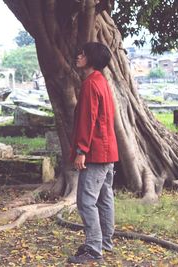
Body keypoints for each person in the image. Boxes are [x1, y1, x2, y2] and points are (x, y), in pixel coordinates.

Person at [67, 42, 119, 264]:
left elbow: (88, 121)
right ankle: (105, 242)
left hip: (95, 152)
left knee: (86, 201)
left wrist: (81, 150)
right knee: (104, 198)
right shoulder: (102, 82)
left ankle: (94, 249)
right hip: (108, 152)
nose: (79, 56)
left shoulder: (90, 84)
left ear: (91, 58)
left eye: (83, 53)